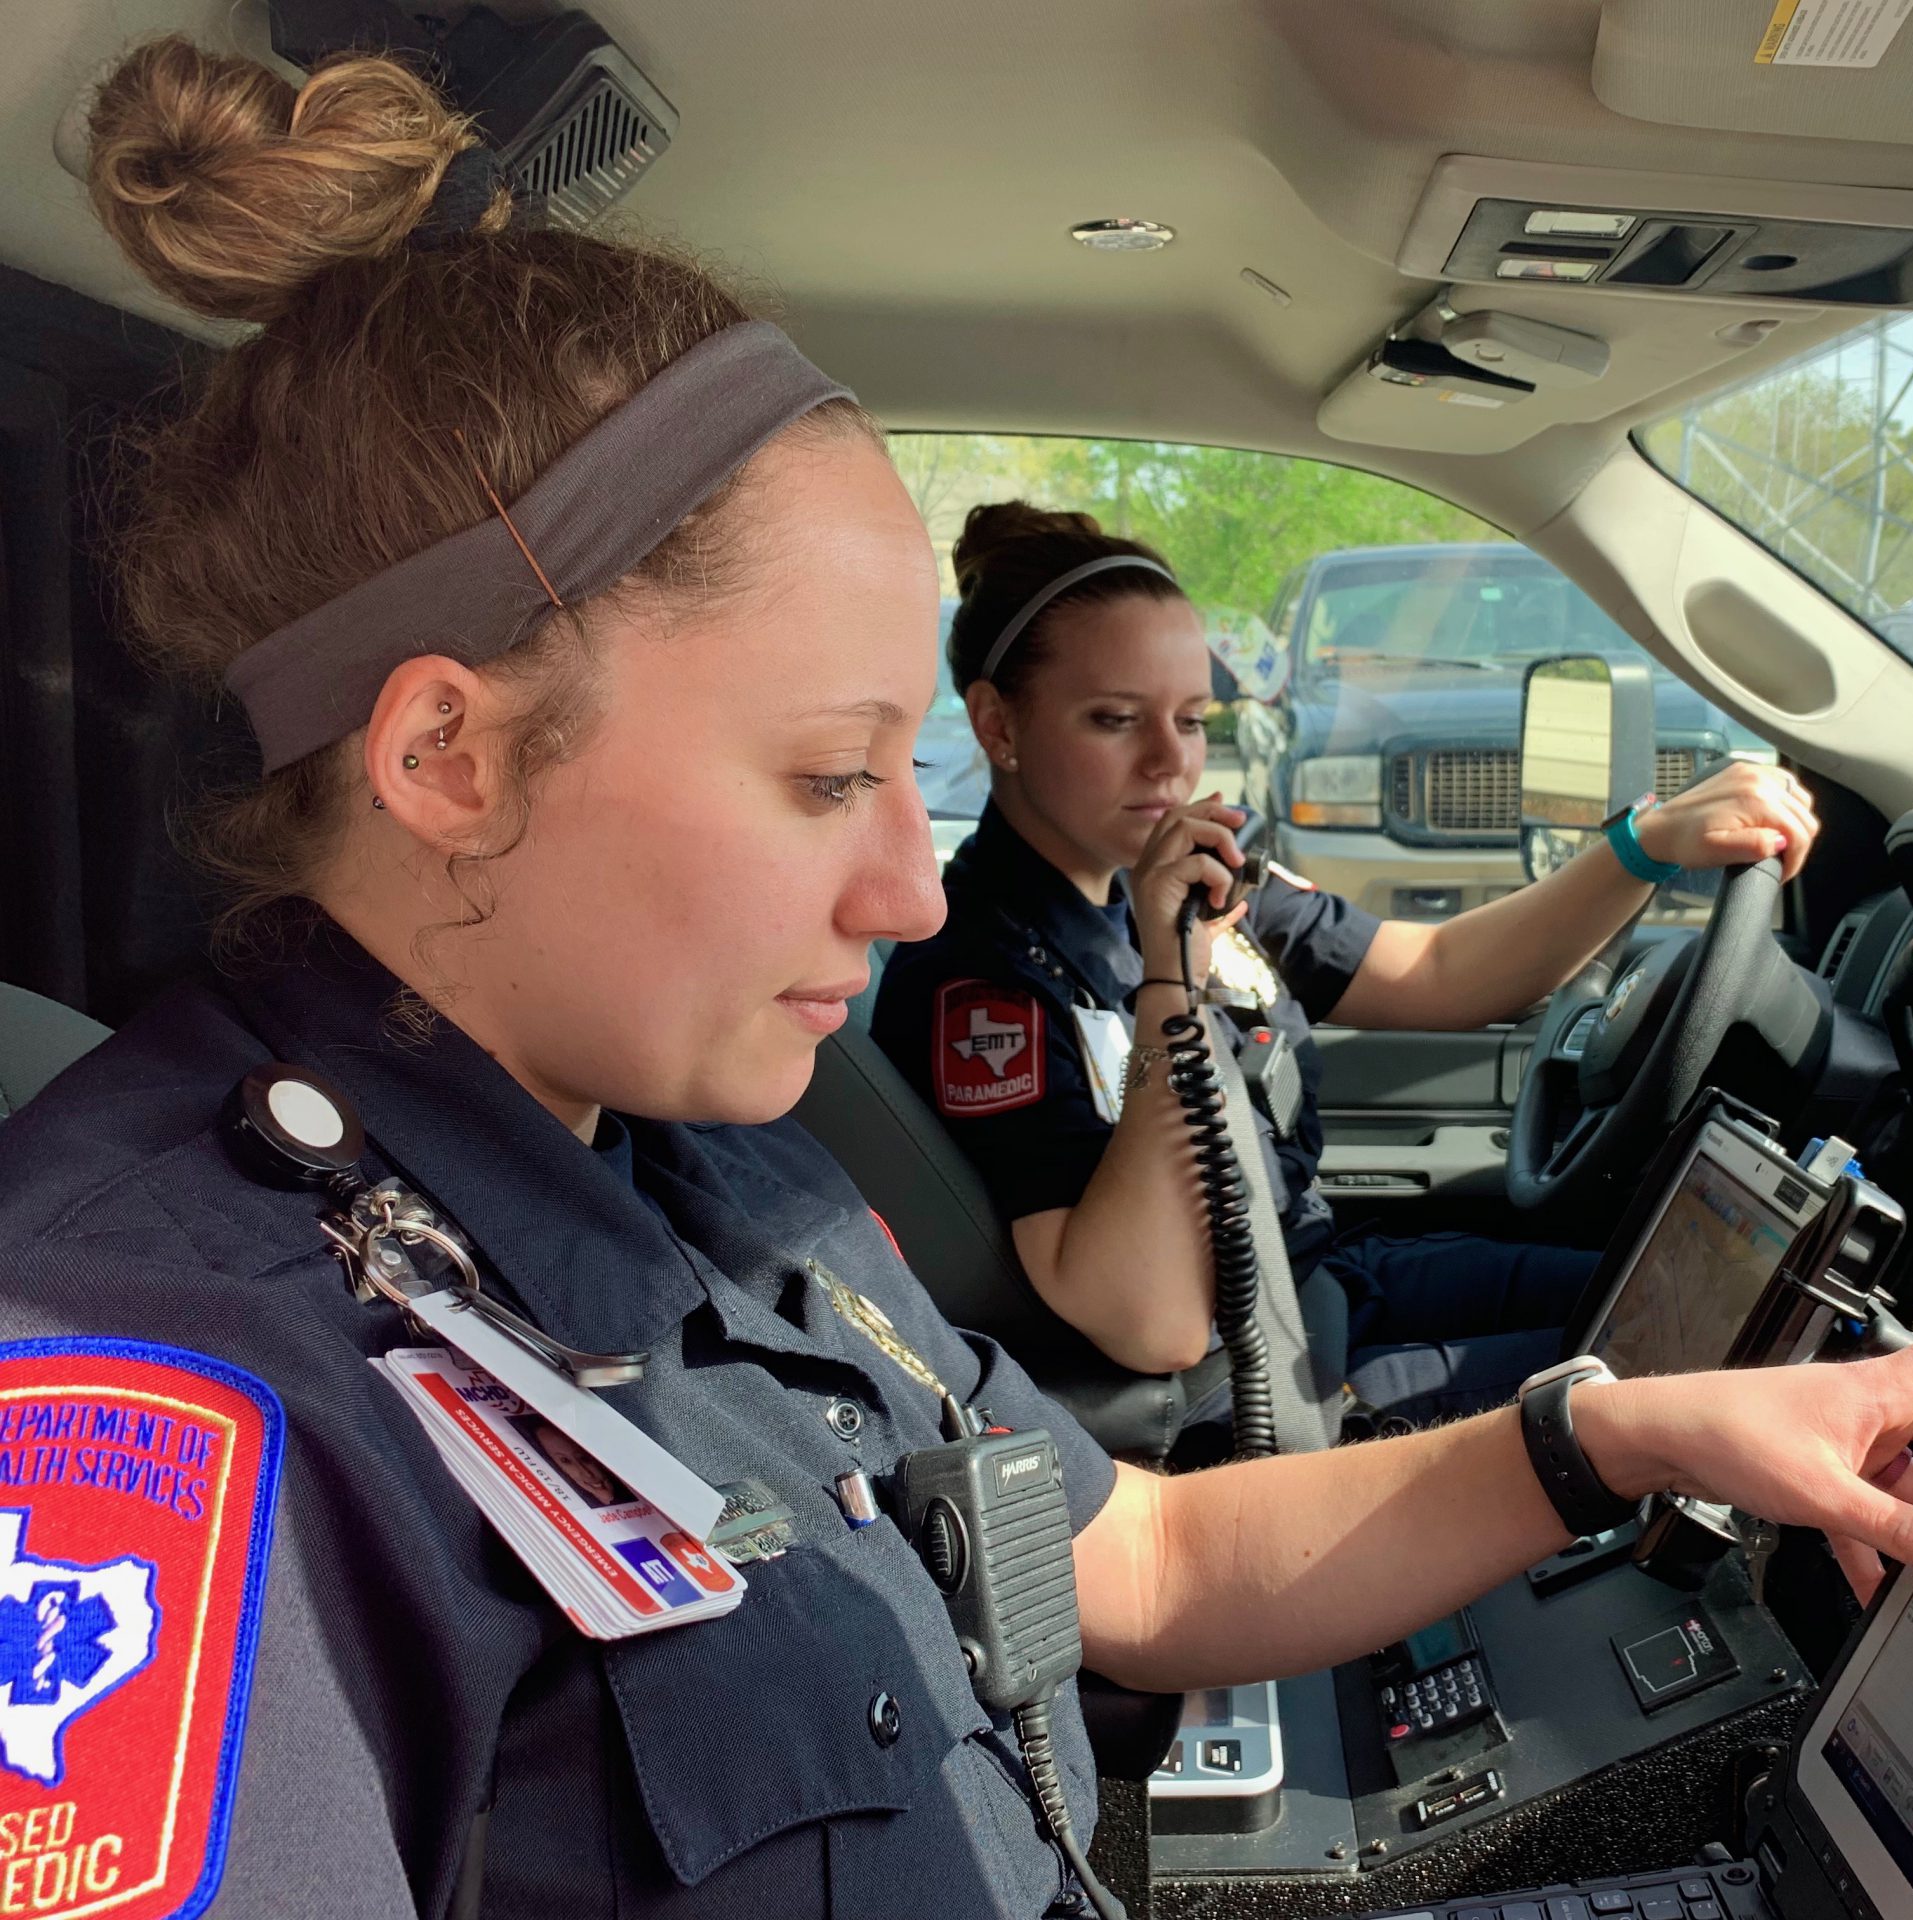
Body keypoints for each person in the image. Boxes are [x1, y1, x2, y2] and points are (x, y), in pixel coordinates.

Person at [0, 37, 1905, 1920]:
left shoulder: (711, 1172)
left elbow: (1137, 1561)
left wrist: (1622, 1436)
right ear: (450, 761)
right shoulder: (144, 1392)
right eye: (832, 777)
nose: (914, 890)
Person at [873, 504, 1822, 1430]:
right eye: (1116, 720)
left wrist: (1645, 844)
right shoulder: (979, 984)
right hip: (1259, 1387)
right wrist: (1170, 982)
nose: (1170, 762)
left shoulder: (1184, 875)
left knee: (1725, 1309)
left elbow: (1440, 968)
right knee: (1697, 1370)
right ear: (998, 725)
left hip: (1328, 1282)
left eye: (1194, 718)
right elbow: (1153, 1324)